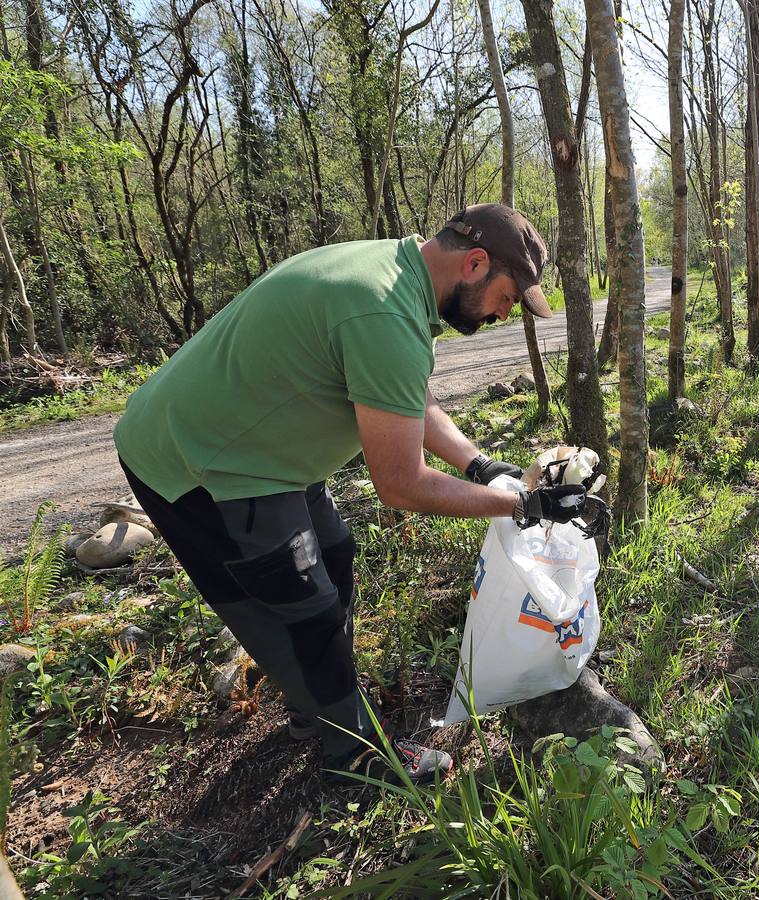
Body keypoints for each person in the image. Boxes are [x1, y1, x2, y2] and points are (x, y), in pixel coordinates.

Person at [114, 204, 592, 785]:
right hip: (201, 463)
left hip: (266, 450)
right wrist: (522, 504)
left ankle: (318, 701)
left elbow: (403, 396)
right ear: (474, 263)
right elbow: (400, 484)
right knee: (300, 603)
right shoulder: (383, 312)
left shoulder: (394, 272)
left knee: (335, 557)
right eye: (508, 297)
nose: (503, 314)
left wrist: (480, 465)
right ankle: (354, 756)